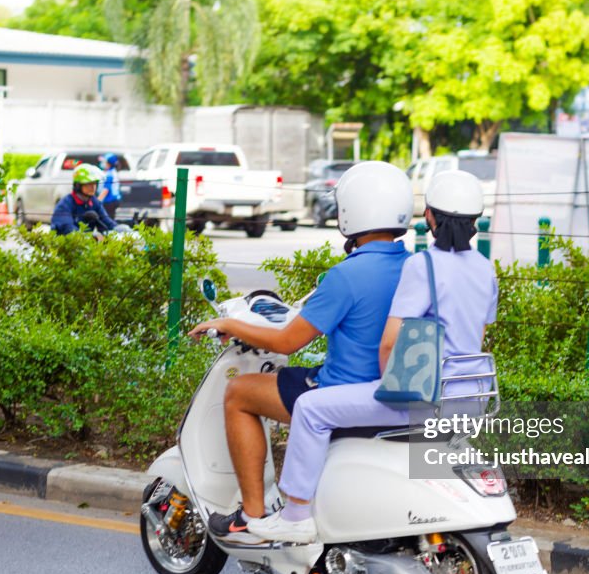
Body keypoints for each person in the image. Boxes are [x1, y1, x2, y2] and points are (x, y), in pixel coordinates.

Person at [247, 170, 498, 543]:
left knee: (310, 409)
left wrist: (386, 384)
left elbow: (389, 343)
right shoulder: (485, 268)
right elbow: (477, 336)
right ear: (475, 220)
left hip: (423, 395)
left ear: (430, 216)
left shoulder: (423, 265)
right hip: (470, 396)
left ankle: (296, 514)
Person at [188, 161, 413, 544]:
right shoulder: (414, 266)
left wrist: (229, 325)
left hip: (340, 392)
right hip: (394, 391)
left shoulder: (347, 275)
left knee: (239, 392)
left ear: (350, 212)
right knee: (289, 379)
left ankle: (252, 516)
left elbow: (286, 342)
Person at [51, 163, 116, 236]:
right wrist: (88, 236)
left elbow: (108, 223)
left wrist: (119, 229)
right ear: (78, 185)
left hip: (87, 242)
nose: (93, 187)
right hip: (67, 242)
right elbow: (67, 228)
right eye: (89, 183)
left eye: (95, 183)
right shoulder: (65, 204)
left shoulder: (94, 202)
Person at [99, 153, 122, 221]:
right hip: (112, 201)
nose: (102, 163)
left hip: (109, 201)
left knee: (107, 220)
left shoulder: (109, 175)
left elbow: (106, 190)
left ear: (109, 163)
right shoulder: (112, 172)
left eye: (104, 161)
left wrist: (97, 201)